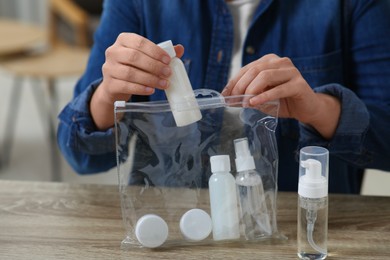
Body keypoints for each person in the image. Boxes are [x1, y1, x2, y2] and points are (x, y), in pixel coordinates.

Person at [57, 0, 390, 194]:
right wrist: (109, 93)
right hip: (169, 229)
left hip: (296, 230)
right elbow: (79, 155)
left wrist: (319, 109)